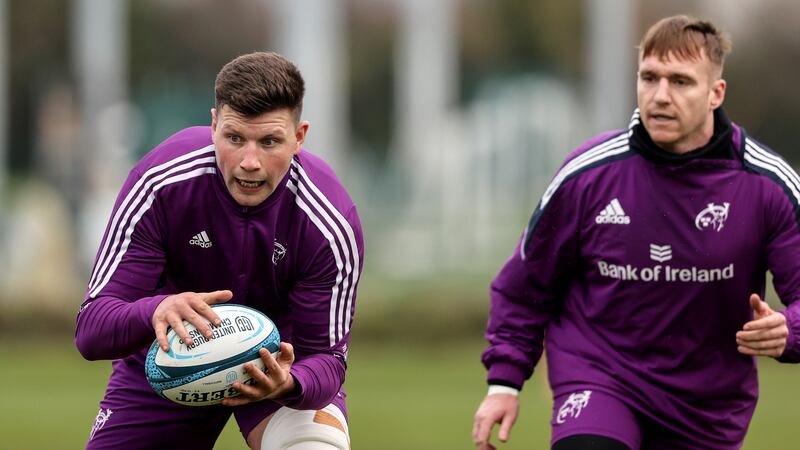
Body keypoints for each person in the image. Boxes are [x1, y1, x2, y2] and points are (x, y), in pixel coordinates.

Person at [472, 15, 800, 450]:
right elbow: (525, 287)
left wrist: (789, 329)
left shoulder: (767, 185)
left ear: (716, 94)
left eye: (681, 82)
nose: (660, 95)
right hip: (600, 378)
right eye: (649, 77)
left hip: (705, 408)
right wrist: (504, 384)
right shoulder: (587, 176)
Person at [75, 51, 363, 450]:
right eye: (234, 138)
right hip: (169, 364)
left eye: (269, 142)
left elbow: (327, 362)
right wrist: (156, 309)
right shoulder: (160, 183)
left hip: (278, 365)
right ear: (213, 126)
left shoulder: (330, 221)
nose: (249, 162)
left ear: (299, 137)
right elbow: (92, 329)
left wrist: (290, 382)